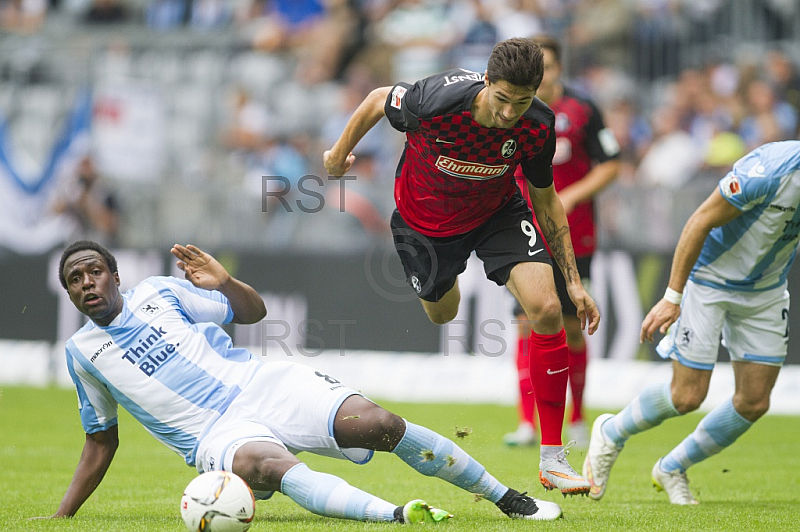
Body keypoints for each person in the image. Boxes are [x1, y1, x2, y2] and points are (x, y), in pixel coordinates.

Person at [45, 240, 564, 522]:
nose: (86, 283)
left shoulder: (160, 293)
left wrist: (225, 282)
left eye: (94, 271)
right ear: (69, 294)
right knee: (265, 463)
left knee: (380, 424)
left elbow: (252, 312)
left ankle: (506, 498)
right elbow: (100, 440)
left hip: (260, 384)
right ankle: (400, 516)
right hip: (213, 436)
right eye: (75, 279)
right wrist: (62, 516)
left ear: (115, 274)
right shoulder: (83, 354)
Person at [323, 37, 600, 497]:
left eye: (523, 101)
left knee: (547, 309)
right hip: (425, 227)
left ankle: (553, 458)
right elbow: (376, 100)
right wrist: (336, 156)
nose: (511, 113)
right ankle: (439, 283)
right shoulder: (437, 100)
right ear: (486, 81)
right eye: (503, 99)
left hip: (499, 216)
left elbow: (547, 200)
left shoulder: (537, 125)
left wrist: (573, 282)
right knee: (442, 313)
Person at [583, 141, 800, 504]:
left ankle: (672, 466)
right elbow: (699, 220)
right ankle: (611, 431)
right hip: (710, 279)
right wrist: (673, 297)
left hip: (766, 289)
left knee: (754, 401)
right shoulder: (770, 169)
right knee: (687, 396)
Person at [504, 36, 620, 449]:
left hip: (575, 234)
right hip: (522, 231)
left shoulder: (583, 109)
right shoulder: (513, 112)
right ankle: (525, 422)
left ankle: (577, 416)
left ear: (558, 70)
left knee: (572, 329)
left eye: (549, 68)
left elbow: (611, 165)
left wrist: (572, 196)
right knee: (526, 323)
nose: (544, 76)